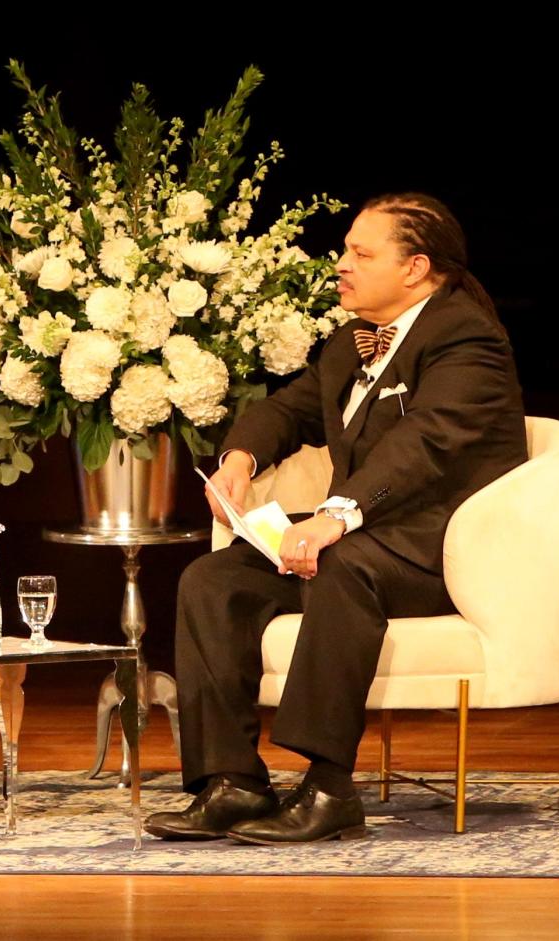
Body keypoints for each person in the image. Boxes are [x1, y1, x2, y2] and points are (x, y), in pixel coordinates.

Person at [144, 194, 528, 845]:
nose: (341, 264)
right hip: (366, 538)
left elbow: (426, 441)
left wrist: (334, 514)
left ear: (414, 268)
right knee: (212, 578)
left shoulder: (465, 335)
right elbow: (289, 408)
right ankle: (230, 780)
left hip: (437, 551)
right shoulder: (352, 341)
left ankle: (328, 786)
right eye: (346, 249)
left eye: (361, 252)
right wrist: (240, 455)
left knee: (342, 564)